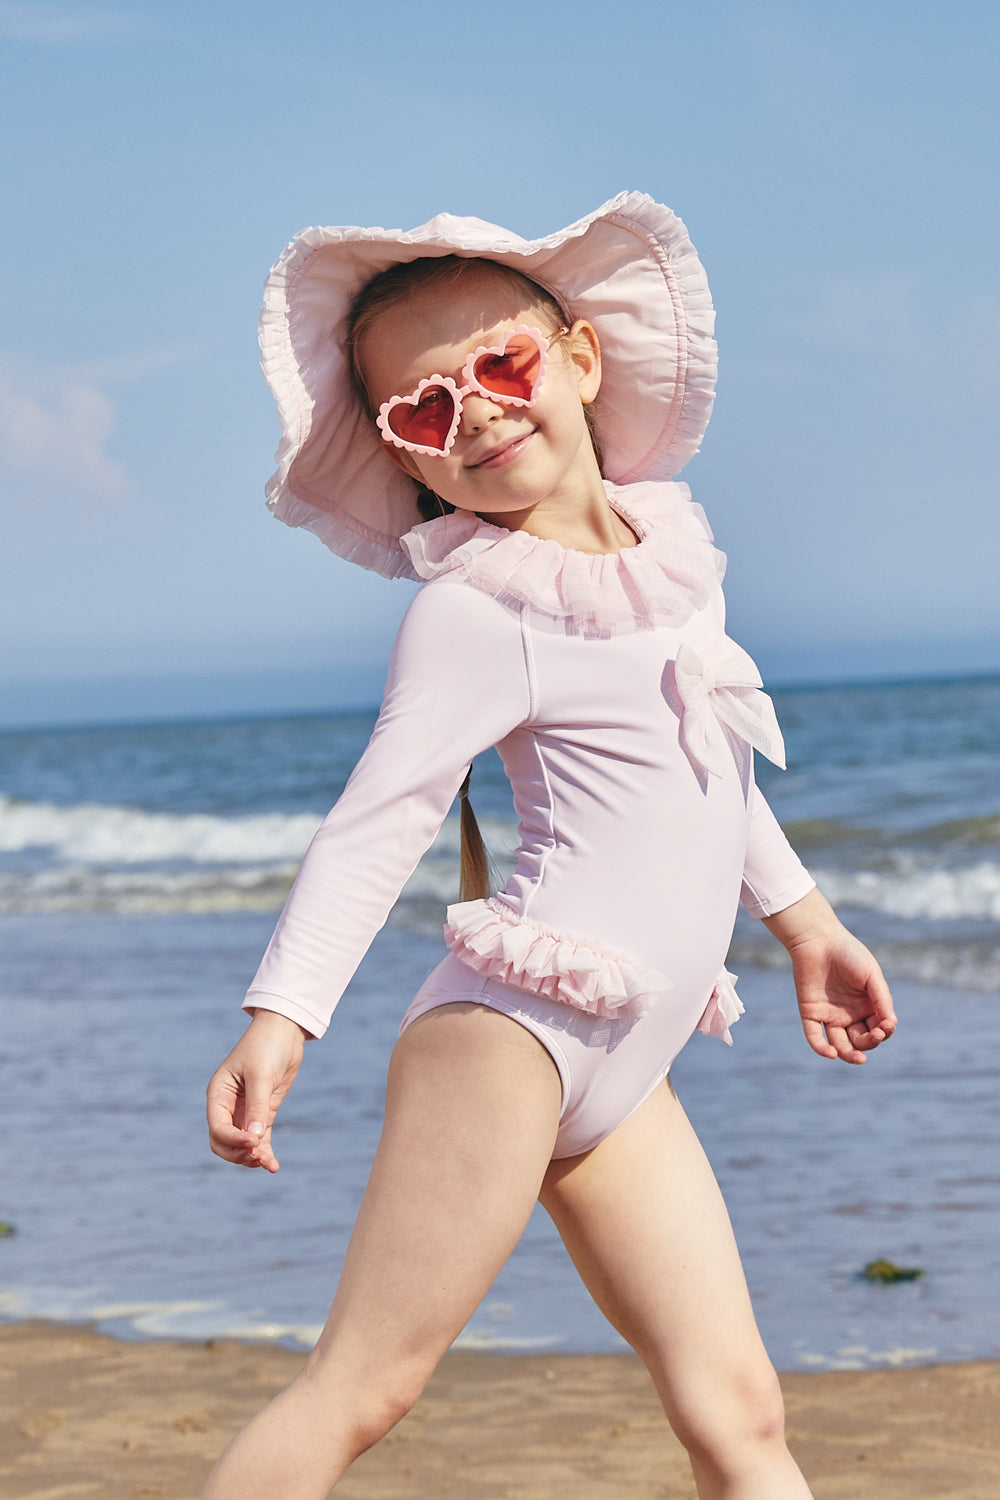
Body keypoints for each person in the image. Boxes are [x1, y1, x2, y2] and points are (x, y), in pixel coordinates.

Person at [203, 191, 897, 1499]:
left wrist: (804, 924)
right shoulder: (475, 611)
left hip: (628, 1063)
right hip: (510, 1038)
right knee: (367, 1383)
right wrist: (279, 1021)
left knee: (740, 1410)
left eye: (502, 365)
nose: (475, 411)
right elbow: (381, 821)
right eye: (423, 409)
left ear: (578, 359)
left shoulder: (671, 551)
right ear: (406, 456)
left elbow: (707, 762)